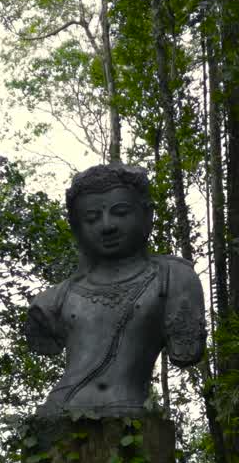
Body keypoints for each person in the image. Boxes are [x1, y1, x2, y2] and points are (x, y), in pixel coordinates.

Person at [24, 163, 205, 416]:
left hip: (130, 412)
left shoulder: (173, 278)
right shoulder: (54, 299)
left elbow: (186, 351)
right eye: (92, 218)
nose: (107, 225)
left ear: (146, 214)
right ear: (77, 227)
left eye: (120, 212)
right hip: (59, 413)